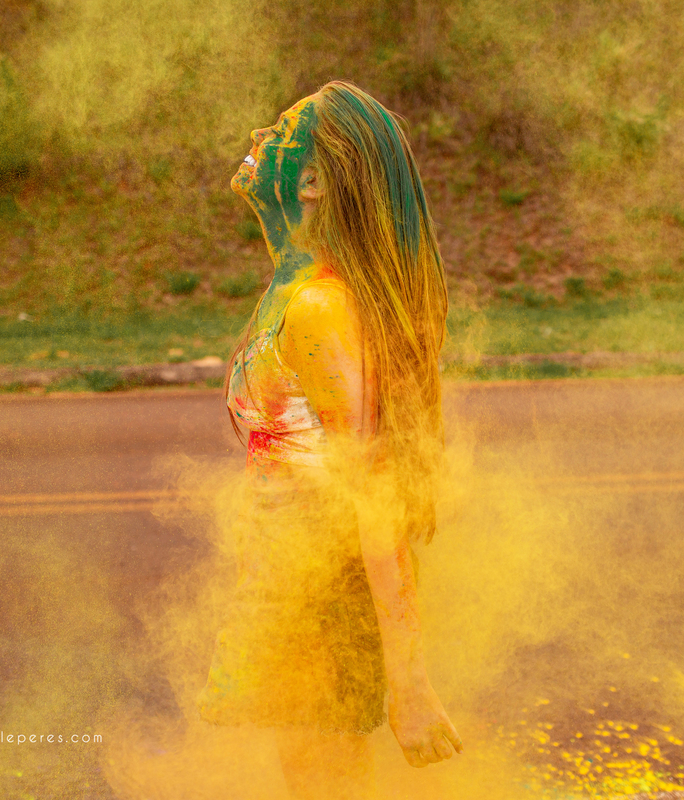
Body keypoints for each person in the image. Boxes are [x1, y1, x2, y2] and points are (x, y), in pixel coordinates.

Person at [197, 81, 462, 799]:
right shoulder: (290, 292)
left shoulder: (320, 306)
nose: (260, 135)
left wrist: (410, 684)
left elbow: (376, 493)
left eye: (282, 132)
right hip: (292, 587)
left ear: (312, 181)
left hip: (325, 598)